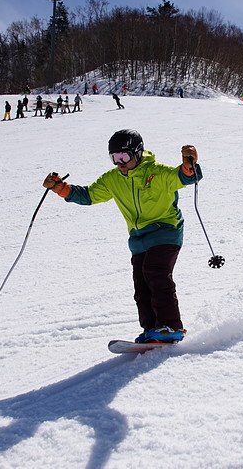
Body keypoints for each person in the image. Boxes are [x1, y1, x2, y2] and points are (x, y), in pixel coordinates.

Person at [42, 129, 202, 343]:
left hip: (166, 231)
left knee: (155, 273)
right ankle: (152, 329)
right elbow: (89, 195)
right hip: (138, 239)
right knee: (141, 285)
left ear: (137, 153)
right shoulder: (113, 179)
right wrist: (61, 188)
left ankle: (171, 326)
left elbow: (183, 177)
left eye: (124, 156)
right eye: (114, 158)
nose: (120, 163)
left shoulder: (157, 173)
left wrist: (189, 166)